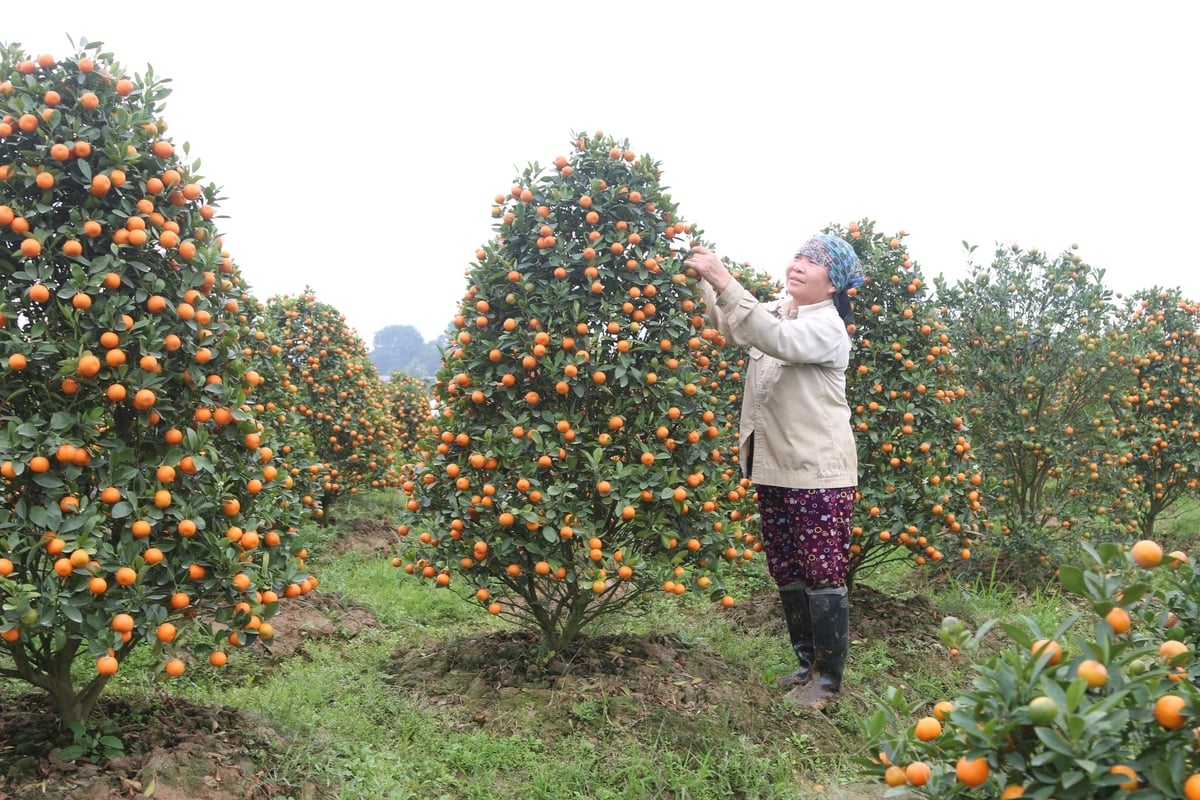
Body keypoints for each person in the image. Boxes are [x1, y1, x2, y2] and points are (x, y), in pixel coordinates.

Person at [684, 234, 863, 709]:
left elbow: (773, 338)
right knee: (786, 567)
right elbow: (738, 325)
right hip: (776, 466)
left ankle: (828, 681)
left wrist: (725, 278)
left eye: (815, 262)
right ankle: (806, 664)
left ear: (832, 286)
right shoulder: (781, 312)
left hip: (818, 472)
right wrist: (706, 278)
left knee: (823, 572)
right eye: (799, 256)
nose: (800, 265)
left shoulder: (827, 328)